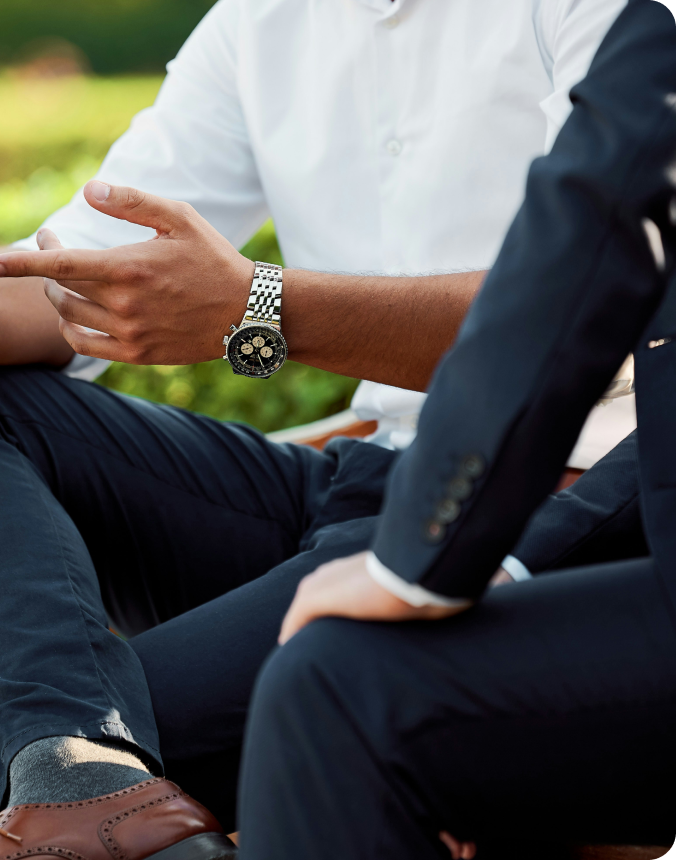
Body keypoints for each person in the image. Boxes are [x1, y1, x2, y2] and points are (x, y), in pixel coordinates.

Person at [0, 0, 635, 856]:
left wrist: (257, 308)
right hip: (359, 483)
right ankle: (82, 770)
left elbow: (588, 314)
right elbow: (78, 277)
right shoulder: (261, 19)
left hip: (544, 500)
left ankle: (76, 777)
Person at [235, 2, 676, 858]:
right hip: (388, 491)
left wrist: (419, 560)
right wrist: (492, 558)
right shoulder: (254, 24)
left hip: (466, 505)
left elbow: (597, 227)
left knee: (334, 691)